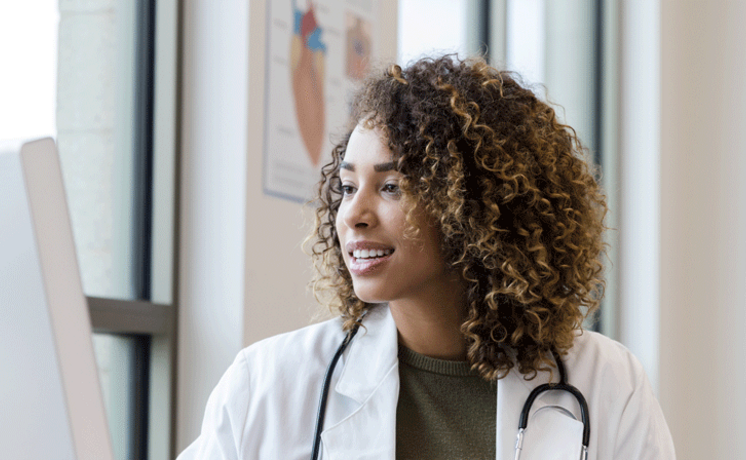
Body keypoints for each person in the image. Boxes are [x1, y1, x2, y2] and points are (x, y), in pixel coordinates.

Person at [179, 56, 675, 460]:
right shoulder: (268, 384)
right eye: (348, 186)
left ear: (473, 209)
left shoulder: (608, 384)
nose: (354, 214)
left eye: (391, 187)